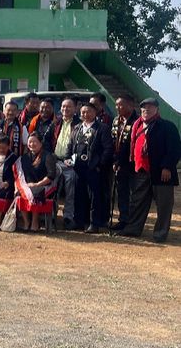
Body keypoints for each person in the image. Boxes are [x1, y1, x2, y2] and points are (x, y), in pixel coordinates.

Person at [118, 98, 180, 242]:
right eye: (144, 108)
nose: (147, 110)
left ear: (157, 110)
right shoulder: (136, 126)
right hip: (140, 170)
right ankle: (133, 229)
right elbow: (127, 147)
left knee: (163, 205)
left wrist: (167, 167)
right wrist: (120, 162)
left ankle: (160, 234)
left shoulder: (167, 126)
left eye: (150, 107)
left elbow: (175, 149)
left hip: (161, 172)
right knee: (137, 202)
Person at [65, 103, 113, 233]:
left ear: (95, 113)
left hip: (94, 168)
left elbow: (108, 149)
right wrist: (68, 158)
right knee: (79, 195)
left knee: (95, 196)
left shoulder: (102, 128)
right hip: (78, 167)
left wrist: (99, 165)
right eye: (83, 112)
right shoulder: (77, 128)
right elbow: (70, 145)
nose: (85, 114)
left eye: (88, 112)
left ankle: (94, 223)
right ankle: (79, 221)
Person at [110, 95, 139, 231]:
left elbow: (130, 145)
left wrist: (121, 160)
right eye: (116, 105)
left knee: (133, 194)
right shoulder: (116, 120)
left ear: (130, 105)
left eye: (121, 105)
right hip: (118, 163)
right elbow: (113, 141)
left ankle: (132, 223)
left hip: (131, 163)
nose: (117, 107)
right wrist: (115, 160)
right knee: (122, 193)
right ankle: (123, 219)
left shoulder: (137, 121)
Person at [17, 134, 57, 232]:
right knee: (19, 193)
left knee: (36, 192)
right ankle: (26, 221)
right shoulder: (24, 158)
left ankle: (35, 221)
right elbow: (20, 174)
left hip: (43, 185)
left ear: (40, 143)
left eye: (35, 142)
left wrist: (37, 184)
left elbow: (51, 175)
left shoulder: (48, 156)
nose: (32, 144)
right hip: (28, 185)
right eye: (30, 142)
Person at [53, 98, 79, 224]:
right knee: (53, 188)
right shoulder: (56, 122)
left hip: (70, 163)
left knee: (70, 189)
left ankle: (68, 216)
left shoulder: (79, 124)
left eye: (69, 106)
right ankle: (52, 214)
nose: (65, 109)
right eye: (63, 106)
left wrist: (73, 160)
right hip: (55, 161)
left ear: (75, 108)